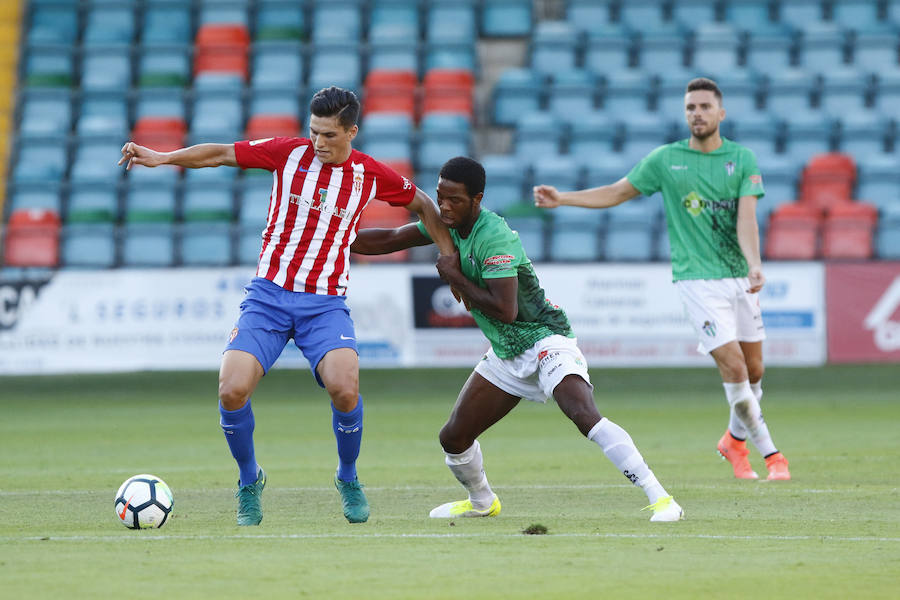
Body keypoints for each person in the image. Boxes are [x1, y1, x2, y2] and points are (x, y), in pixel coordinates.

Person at [118, 86, 456, 525]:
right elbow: (220, 153)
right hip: (269, 297)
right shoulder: (287, 153)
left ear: (352, 131)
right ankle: (248, 480)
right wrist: (163, 157)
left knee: (345, 387)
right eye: (314, 132)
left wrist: (449, 262)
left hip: (325, 302)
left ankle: (348, 476)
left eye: (329, 135)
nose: (318, 142)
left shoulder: (370, 175)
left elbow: (424, 205)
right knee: (231, 389)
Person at [351, 156, 684, 522]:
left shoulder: (494, 236)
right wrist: (332, 238)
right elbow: (390, 238)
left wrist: (454, 275)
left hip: (544, 339)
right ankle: (482, 502)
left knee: (583, 415)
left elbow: (504, 309)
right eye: (440, 197)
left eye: (455, 200)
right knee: (454, 438)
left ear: (477, 199)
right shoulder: (446, 225)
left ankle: (662, 498)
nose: (444, 207)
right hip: (506, 352)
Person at [533, 77, 790, 481]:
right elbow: (618, 192)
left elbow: (746, 219)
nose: (697, 114)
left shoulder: (742, 159)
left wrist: (754, 263)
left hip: (739, 277)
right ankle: (773, 455)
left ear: (720, 113)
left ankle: (734, 443)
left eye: (705, 107)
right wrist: (564, 198)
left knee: (754, 371)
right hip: (696, 280)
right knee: (736, 368)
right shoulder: (666, 160)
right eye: (690, 107)